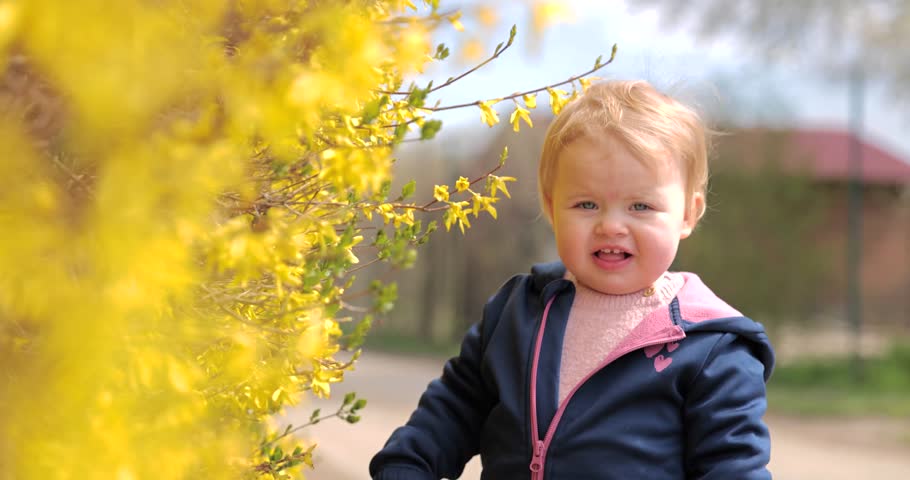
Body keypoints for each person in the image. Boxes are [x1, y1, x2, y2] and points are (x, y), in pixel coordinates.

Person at [369, 80, 774, 479]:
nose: (611, 225)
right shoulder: (517, 314)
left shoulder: (712, 348)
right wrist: (405, 467)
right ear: (551, 206)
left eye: (640, 206)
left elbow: (734, 468)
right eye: (586, 204)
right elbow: (449, 414)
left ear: (688, 214)